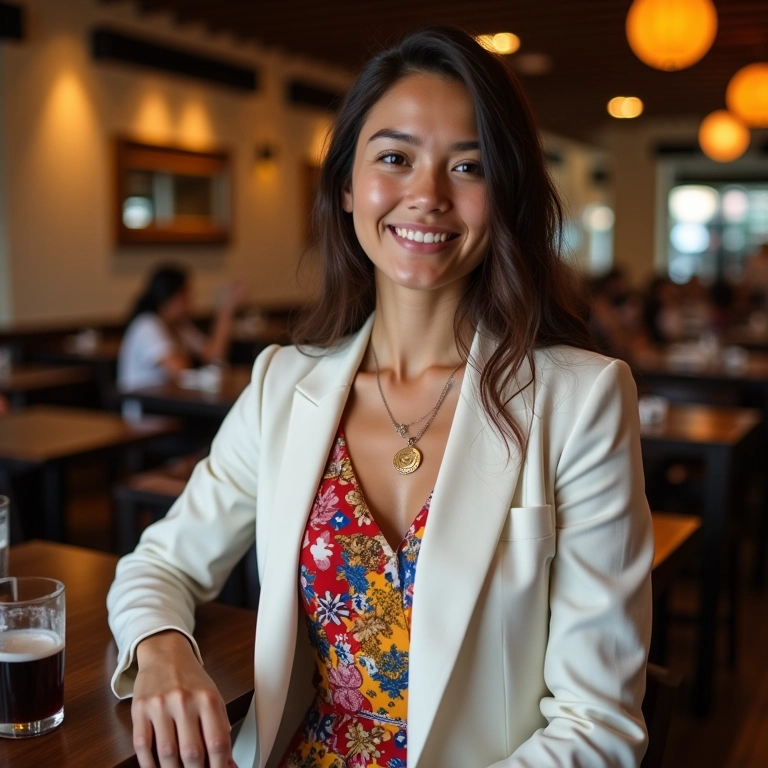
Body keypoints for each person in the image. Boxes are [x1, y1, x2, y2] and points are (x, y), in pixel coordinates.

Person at [108, 26, 653, 768]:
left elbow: (598, 725)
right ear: (345, 185)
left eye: (469, 166)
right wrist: (163, 648)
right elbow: (158, 564)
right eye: (394, 158)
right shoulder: (282, 385)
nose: (425, 196)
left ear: (506, 195)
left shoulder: (581, 399)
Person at [117, 265, 247, 392]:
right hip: (146, 407)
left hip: (170, 402)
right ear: (168, 298)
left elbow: (214, 355)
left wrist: (226, 311)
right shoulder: (147, 325)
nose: (190, 303)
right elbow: (181, 372)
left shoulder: (180, 326)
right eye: (185, 296)